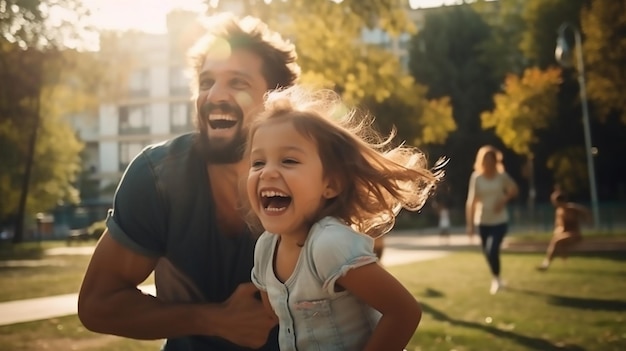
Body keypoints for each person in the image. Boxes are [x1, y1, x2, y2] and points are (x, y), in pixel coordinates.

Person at [77, 13, 300, 351]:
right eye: (206, 82)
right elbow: (97, 304)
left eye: (237, 83)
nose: (214, 95)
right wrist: (214, 319)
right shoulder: (157, 177)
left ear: (277, 103)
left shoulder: (310, 177)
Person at [246, 86, 443, 350]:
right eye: (258, 162)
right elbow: (280, 318)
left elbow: (404, 312)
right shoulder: (265, 249)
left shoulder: (328, 244)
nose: (267, 172)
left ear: (331, 184)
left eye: (289, 160)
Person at [466, 145, 518, 294]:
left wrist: (504, 200)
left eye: (491, 160)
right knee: (488, 253)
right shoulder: (476, 177)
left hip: (500, 221)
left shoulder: (502, 176)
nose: (489, 163)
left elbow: (514, 189)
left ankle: (496, 280)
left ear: (496, 161)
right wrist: (470, 225)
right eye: (486, 160)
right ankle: (497, 277)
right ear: (482, 161)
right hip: (483, 221)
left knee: (493, 249)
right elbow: (471, 202)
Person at [537, 189, 591, 271]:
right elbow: (558, 226)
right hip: (563, 235)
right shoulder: (559, 211)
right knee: (556, 240)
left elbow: (585, 212)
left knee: (556, 241)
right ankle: (555, 260)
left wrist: (588, 221)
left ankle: (546, 263)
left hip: (574, 234)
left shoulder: (571, 208)